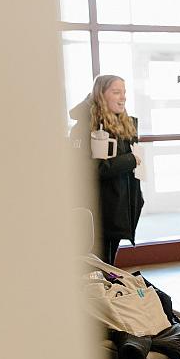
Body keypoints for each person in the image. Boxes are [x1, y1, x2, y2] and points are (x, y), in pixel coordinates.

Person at [70, 75, 144, 265]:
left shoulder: (124, 125)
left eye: (124, 92)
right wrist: (130, 160)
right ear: (101, 95)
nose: (123, 97)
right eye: (116, 92)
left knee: (108, 264)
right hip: (100, 210)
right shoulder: (84, 128)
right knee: (99, 265)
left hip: (120, 208)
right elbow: (89, 169)